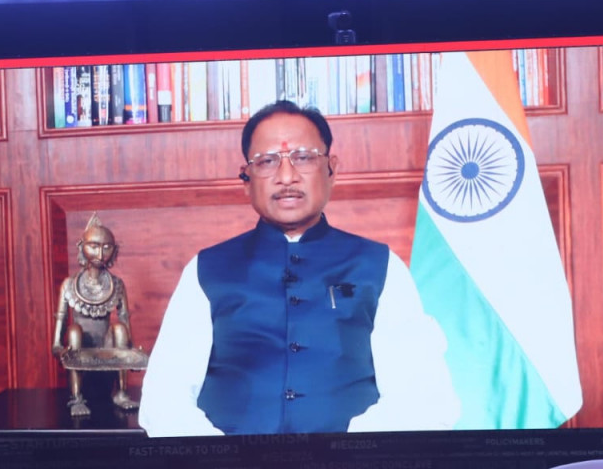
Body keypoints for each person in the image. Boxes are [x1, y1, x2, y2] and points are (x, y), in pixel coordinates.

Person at [139, 100, 458, 436]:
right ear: (246, 179)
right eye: (267, 161)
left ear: (332, 170)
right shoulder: (206, 270)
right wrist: (226, 456)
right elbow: (165, 399)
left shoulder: (379, 266)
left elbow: (422, 397)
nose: (287, 176)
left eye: (303, 157)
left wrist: (346, 453)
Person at [51, 214, 141, 417]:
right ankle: (76, 397)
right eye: (94, 246)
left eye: (106, 247)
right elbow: (57, 339)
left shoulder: (116, 284)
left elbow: (125, 322)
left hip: (108, 348)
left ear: (114, 250)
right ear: (82, 246)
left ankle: (121, 393)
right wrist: (60, 349)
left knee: (119, 328)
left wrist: (132, 354)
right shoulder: (69, 285)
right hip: (80, 347)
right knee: (74, 331)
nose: (100, 254)